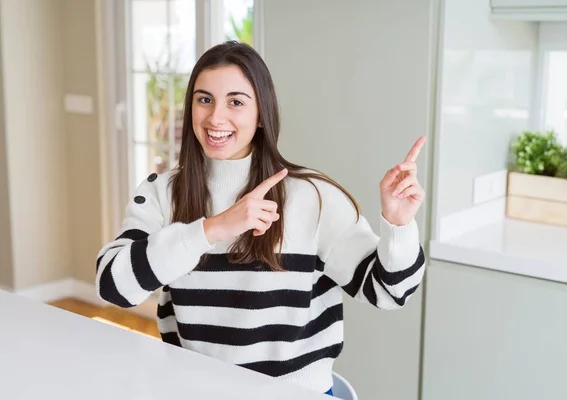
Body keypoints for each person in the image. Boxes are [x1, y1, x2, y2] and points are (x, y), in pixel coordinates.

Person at [95, 41, 426, 397]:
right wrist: (213, 229)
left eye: (235, 102)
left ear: (261, 114)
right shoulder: (162, 193)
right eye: (204, 99)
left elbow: (389, 291)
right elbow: (113, 286)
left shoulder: (312, 196)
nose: (215, 117)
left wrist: (398, 224)